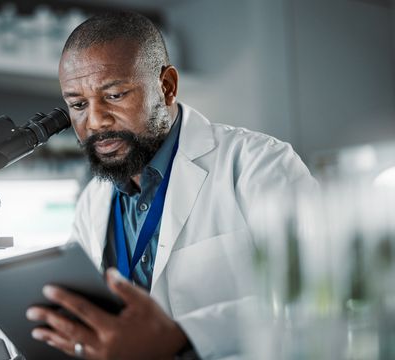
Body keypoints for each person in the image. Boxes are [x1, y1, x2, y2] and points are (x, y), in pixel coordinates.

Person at [25, 11, 314, 360]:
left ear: (167, 87)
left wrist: (182, 336)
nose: (96, 120)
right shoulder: (94, 200)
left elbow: (315, 291)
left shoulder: (258, 163)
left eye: (115, 95)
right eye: (78, 104)